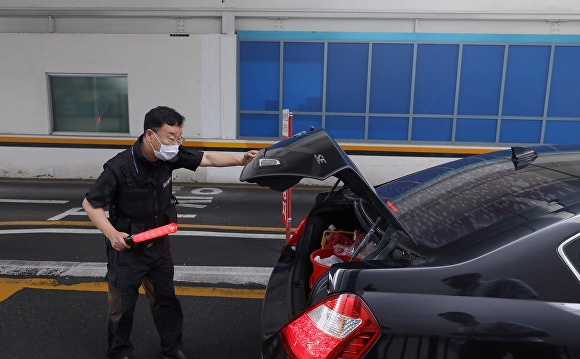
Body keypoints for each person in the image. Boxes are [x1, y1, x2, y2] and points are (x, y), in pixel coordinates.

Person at [82, 106, 257, 359]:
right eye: (170, 137)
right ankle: (119, 352)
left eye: (178, 138)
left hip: (159, 247)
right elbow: (91, 203)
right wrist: (112, 234)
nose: (175, 144)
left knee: (166, 301)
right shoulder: (119, 168)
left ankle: (172, 347)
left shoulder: (168, 156)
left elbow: (205, 158)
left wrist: (241, 160)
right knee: (121, 307)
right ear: (150, 134)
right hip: (129, 250)